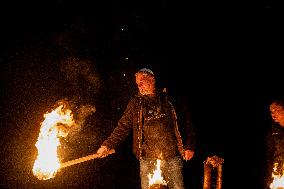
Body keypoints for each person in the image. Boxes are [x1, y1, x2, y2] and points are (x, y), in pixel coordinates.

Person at [97, 68, 195, 189]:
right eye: (137, 84)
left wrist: (189, 146)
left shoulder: (170, 99)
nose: (139, 86)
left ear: (152, 80)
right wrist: (107, 145)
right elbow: (122, 127)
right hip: (148, 160)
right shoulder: (135, 104)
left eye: (142, 81)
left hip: (172, 158)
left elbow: (187, 122)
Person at [265, 98, 284, 188]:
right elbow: (269, 154)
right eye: (271, 111)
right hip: (278, 171)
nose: (273, 114)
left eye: (276, 110)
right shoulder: (273, 131)